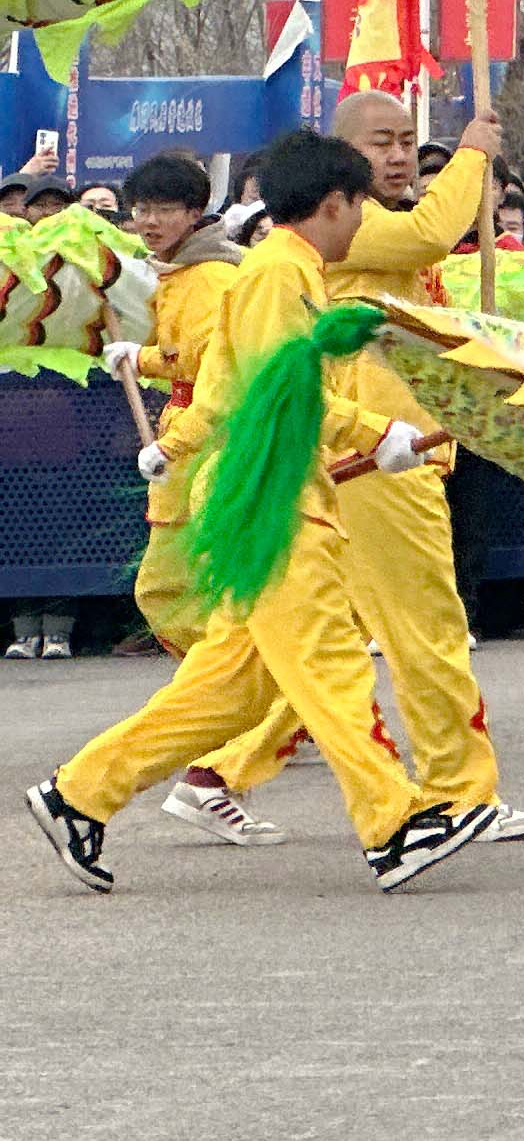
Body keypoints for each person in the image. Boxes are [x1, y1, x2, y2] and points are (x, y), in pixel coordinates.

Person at [26, 130, 499, 892]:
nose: (363, 222)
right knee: (331, 666)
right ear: (337, 201)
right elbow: (282, 392)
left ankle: (78, 794)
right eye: (361, 205)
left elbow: (221, 385)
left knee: (233, 690)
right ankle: (392, 824)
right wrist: (381, 435)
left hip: (264, 490)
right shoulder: (281, 277)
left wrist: (176, 448)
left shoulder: (276, 273)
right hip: (275, 499)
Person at [184, 89, 524, 843]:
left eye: (410, 140)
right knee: (424, 625)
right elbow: (436, 234)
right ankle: (460, 791)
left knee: (321, 637)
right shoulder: (353, 224)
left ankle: (218, 769)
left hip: (382, 447)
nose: (401, 155)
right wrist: (472, 150)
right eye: (381, 142)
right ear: (341, 161)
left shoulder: (352, 230)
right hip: (378, 454)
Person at [96, 157, 276, 839]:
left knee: (190, 596)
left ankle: (225, 725)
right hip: (186, 438)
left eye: (164, 208)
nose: (148, 220)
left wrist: (139, 360)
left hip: (205, 444)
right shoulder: (183, 269)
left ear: (195, 212)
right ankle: (226, 708)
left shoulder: (207, 274)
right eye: (140, 208)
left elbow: (207, 361)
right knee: (173, 592)